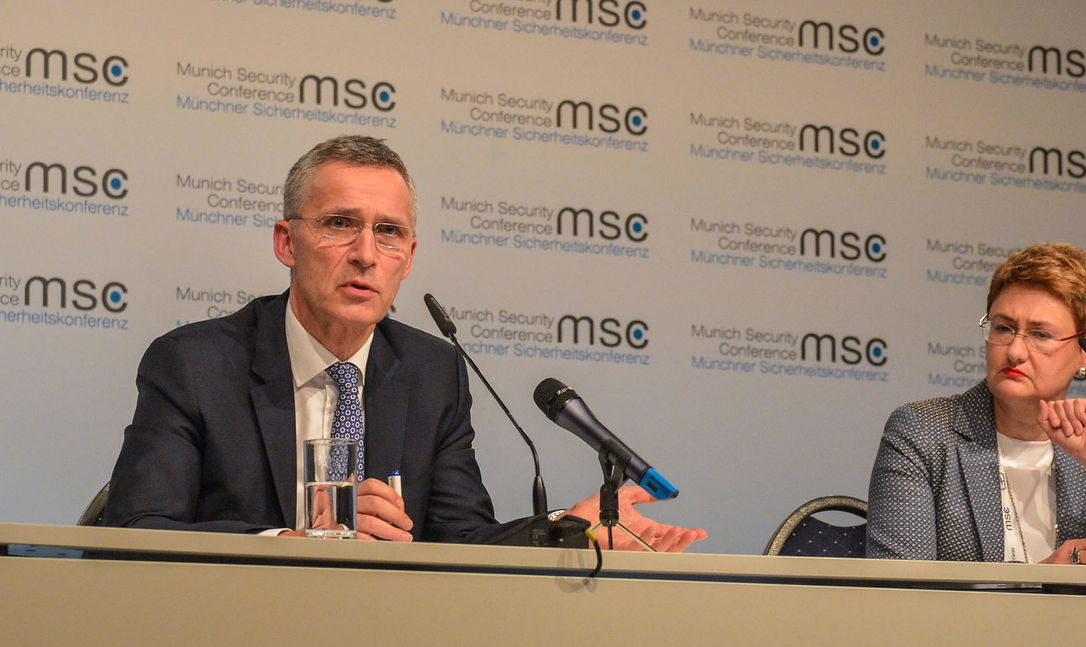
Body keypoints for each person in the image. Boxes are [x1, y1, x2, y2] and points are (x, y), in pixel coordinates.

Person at [103, 135, 706, 552]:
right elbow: (138, 528)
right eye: (340, 224)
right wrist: (296, 544)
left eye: (388, 233)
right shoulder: (194, 363)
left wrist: (565, 527)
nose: (366, 253)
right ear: (287, 242)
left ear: (408, 258)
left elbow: (461, 538)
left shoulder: (432, 371)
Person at [867, 243, 1086, 566]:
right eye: (1003, 328)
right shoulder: (924, 433)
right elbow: (901, 595)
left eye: (1040, 334)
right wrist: (1042, 583)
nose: (1014, 351)